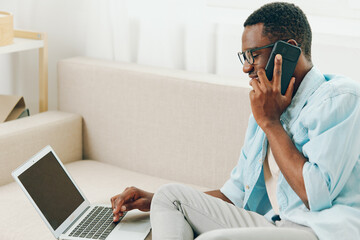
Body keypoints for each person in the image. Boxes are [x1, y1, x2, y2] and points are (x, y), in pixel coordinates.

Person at [110, 2, 360, 240]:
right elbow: (234, 196)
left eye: (254, 55)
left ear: (289, 50)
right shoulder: (264, 111)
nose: (246, 68)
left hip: (318, 230)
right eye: (244, 57)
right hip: (276, 226)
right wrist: (151, 199)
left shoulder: (339, 98)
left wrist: (271, 123)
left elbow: (315, 194)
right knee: (168, 196)